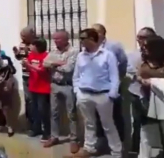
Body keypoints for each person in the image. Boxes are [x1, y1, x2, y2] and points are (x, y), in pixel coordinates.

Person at [67, 28, 122, 158]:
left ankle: (116, 152)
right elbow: (76, 75)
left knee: (108, 125)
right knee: (89, 123)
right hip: (84, 94)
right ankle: (89, 148)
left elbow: (114, 76)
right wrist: (77, 91)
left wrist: (112, 94)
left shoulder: (107, 55)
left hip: (103, 95)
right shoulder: (81, 56)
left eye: (83, 38)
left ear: (92, 39)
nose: (80, 41)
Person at [136, 35, 164, 158]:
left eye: (147, 46)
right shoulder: (143, 62)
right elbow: (138, 75)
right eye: (143, 46)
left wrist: (152, 81)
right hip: (146, 101)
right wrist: (140, 80)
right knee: (146, 134)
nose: (143, 48)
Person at [43, 30, 80, 153]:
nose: (55, 41)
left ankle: (74, 139)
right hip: (54, 84)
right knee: (54, 112)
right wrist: (56, 62)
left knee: (71, 114)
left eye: (58, 39)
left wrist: (52, 65)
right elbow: (44, 63)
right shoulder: (53, 51)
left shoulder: (74, 51)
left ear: (65, 39)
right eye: (54, 39)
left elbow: (69, 68)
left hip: (67, 85)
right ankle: (54, 137)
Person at [91, 23, 128, 146]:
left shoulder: (114, 46)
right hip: (95, 87)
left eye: (95, 31)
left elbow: (123, 62)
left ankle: (119, 145)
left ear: (102, 33)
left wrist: (117, 80)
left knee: (115, 115)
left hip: (111, 87)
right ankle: (102, 143)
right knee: (97, 116)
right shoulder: (90, 47)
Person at [126, 27, 156, 154]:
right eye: (138, 37)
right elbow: (128, 70)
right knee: (138, 121)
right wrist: (137, 76)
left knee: (154, 122)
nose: (139, 40)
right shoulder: (133, 55)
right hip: (136, 92)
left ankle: (154, 148)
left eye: (142, 37)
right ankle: (136, 148)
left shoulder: (160, 54)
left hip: (154, 93)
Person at [24, 39, 51, 141]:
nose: (31, 47)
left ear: (38, 46)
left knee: (43, 110)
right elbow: (29, 69)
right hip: (33, 86)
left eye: (32, 45)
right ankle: (36, 129)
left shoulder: (46, 56)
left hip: (43, 88)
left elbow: (41, 70)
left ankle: (47, 132)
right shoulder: (31, 55)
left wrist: (28, 65)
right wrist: (25, 65)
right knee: (34, 110)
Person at [13, 26, 37, 132]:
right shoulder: (22, 44)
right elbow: (20, 58)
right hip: (25, 75)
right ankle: (29, 123)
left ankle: (36, 124)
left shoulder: (37, 44)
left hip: (35, 76)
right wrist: (17, 53)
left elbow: (38, 57)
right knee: (28, 100)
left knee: (34, 100)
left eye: (24, 36)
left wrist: (29, 52)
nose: (22, 38)